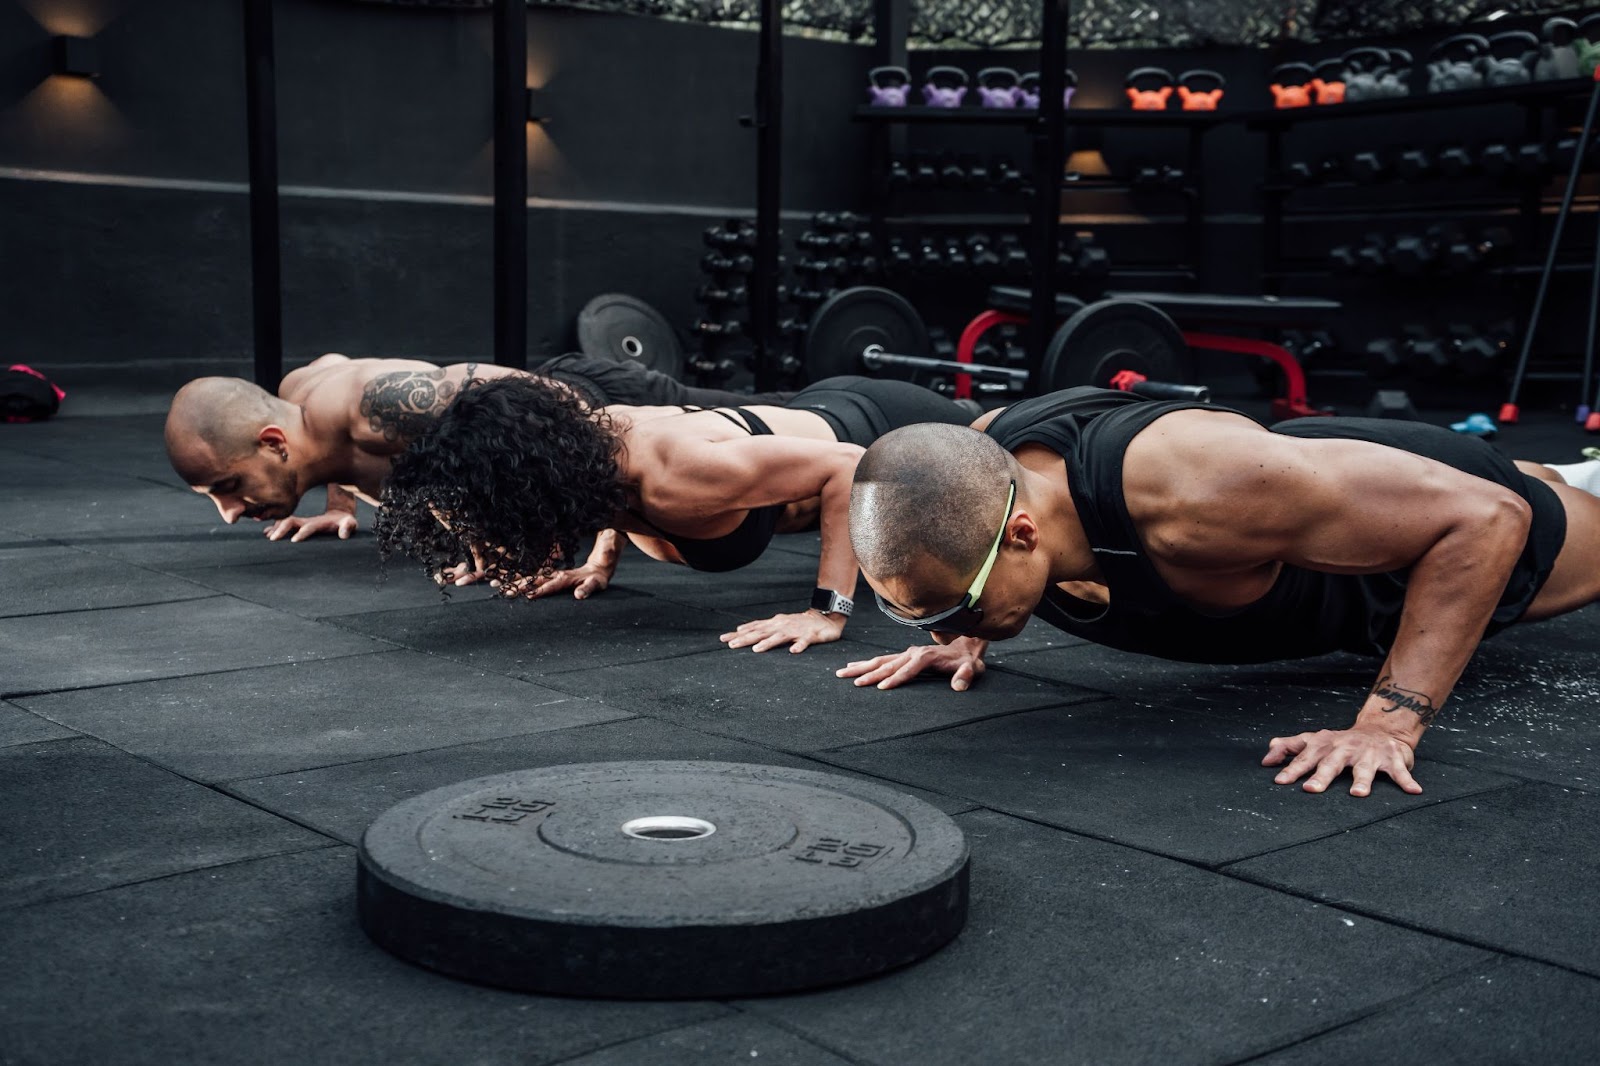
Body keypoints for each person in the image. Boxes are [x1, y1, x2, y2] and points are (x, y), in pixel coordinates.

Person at [839, 387, 1600, 798]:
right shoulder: (990, 456)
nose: (939, 633)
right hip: (1317, 484)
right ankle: (1562, 470)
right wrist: (970, 625)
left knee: (1534, 505)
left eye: (953, 610)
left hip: (1423, 553)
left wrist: (1387, 725)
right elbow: (965, 524)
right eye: (925, 616)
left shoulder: (1193, 493)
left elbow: (1484, 520)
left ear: (1024, 536)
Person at [374, 373, 975, 652]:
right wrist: (601, 560)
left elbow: (847, 465)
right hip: (813, 407)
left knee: (1007, 443)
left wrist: (828, 611)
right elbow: (599, 488)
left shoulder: (674, 475)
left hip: (889, 427)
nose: (484, 553)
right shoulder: (592, 466)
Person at [164, 353, 792, 542]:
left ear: (271, 443)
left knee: (776, 417)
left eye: (227, 487)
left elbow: (533, 398)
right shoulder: (301, 407)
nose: (231, 510)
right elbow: (326, 428)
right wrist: (341, 505)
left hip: (593, 401)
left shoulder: (375, 407)